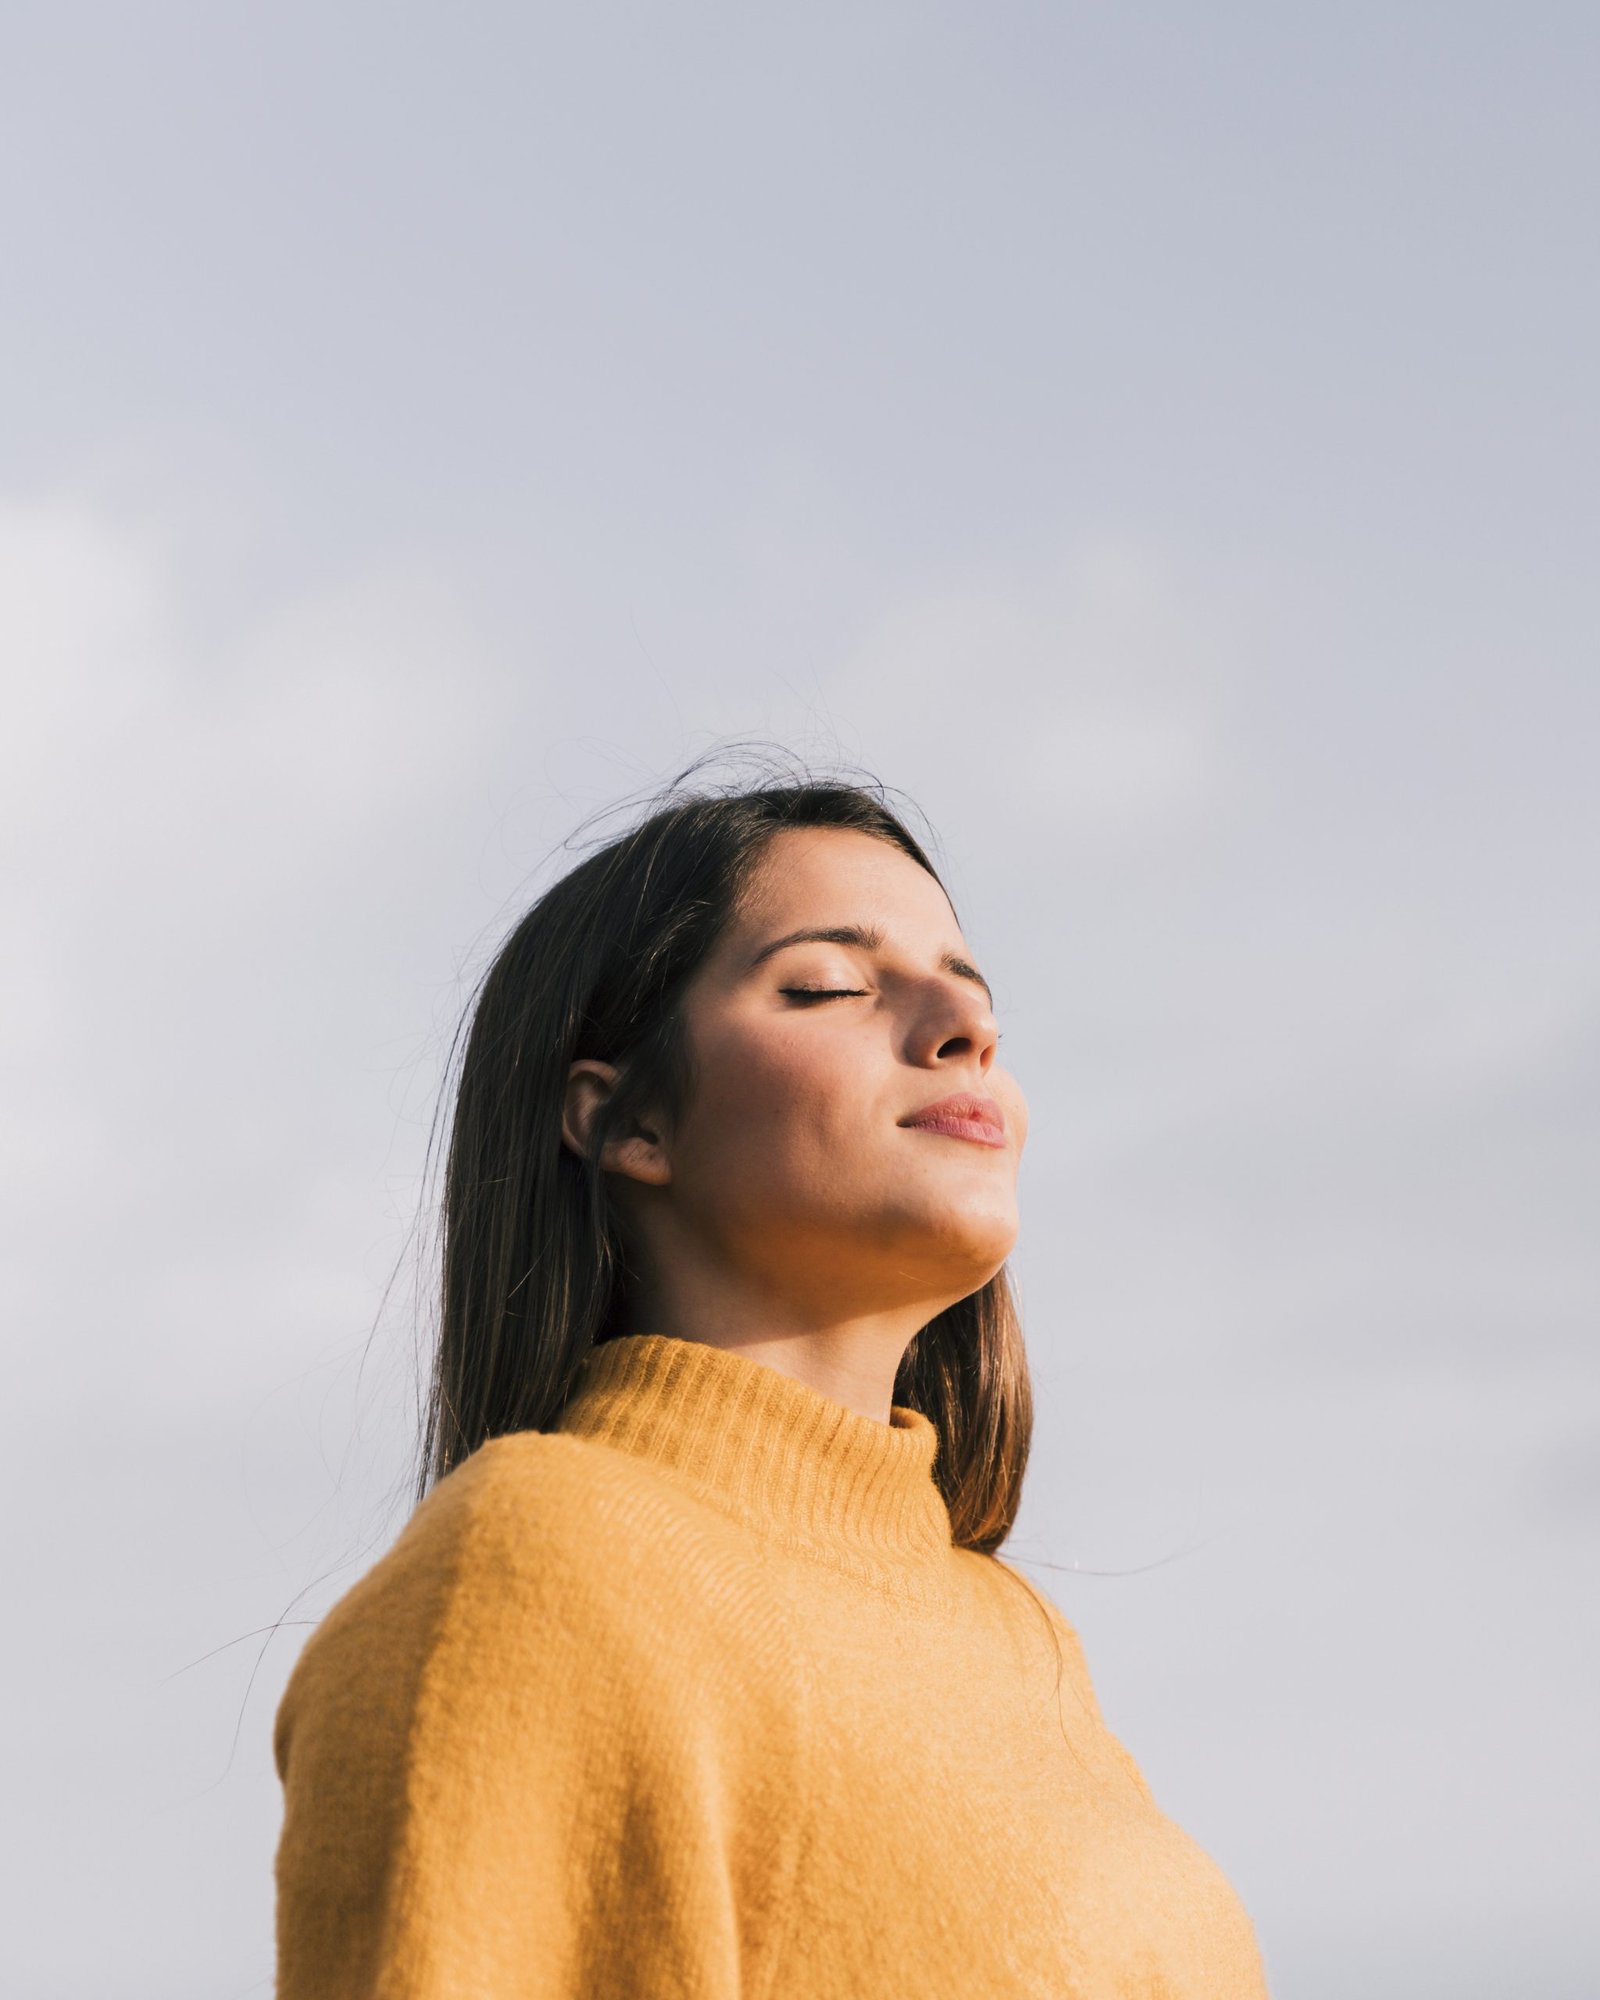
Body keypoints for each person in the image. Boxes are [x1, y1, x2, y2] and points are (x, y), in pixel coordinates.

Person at [272, 768, 1271, 1998]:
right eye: (830, 985)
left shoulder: (1014, 1637)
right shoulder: (535, 1564)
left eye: (973, 993)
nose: (964, 1024)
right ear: (628, 1122)